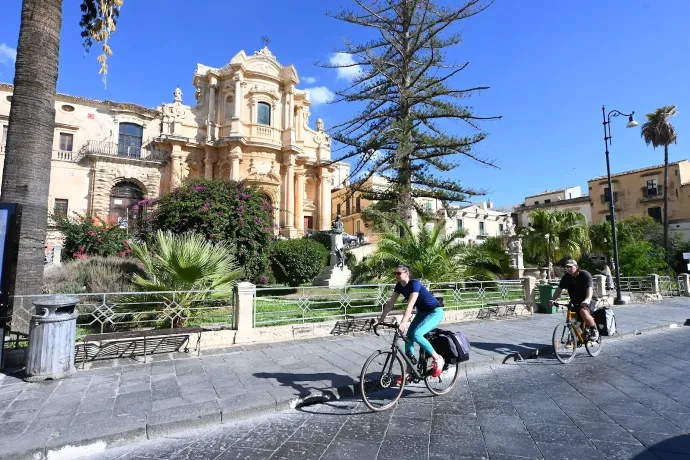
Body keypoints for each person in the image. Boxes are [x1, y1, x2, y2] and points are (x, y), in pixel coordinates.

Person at [378, 265, 445, 378]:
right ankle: (409, 371)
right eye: (395, 273)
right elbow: (390, 303)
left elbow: (410, 304)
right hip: (422, 313)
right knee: (408, 338)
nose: (396, 276)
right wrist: (381, 319)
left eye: (399, 273)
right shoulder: (399, 286)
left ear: (406, 274)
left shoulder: (415, 284)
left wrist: (404, 322)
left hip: (434, 312)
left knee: (416, 334)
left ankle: (438, 359)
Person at [549, 259, 599, 340]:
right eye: (567, 267)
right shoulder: (566, 277)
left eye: (570, 267)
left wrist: (587, 299)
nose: (568, 269)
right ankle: (577, 336)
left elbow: (589, 289)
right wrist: (553, 299)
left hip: (590, 299)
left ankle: (594, 330)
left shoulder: (585, 275)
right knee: (573, 319)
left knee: (583, 312)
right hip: (575, 301)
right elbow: (559, 289)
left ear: (576, 267)